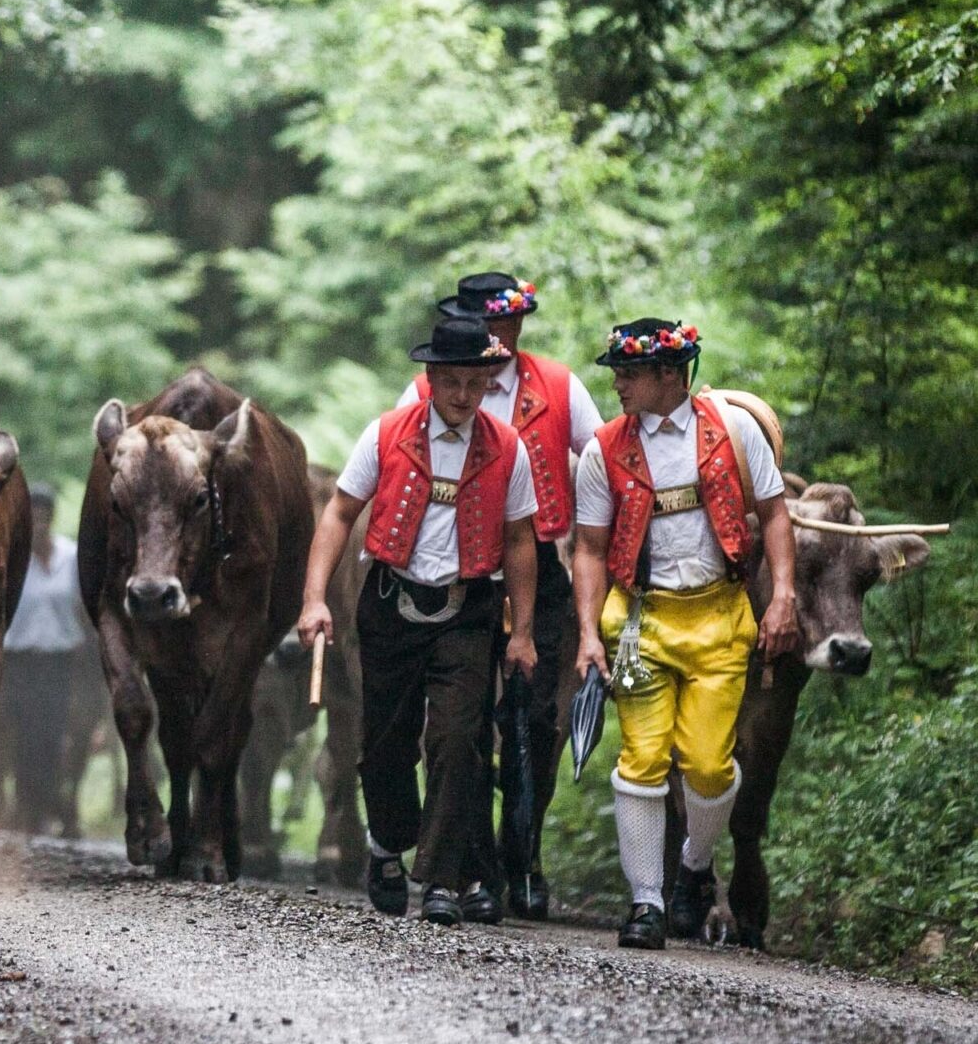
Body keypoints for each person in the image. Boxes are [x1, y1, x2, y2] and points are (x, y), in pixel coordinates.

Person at [298, 315, 540, 928]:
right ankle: (387, 845)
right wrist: (315, 598)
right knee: (385, 742)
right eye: (451, 381)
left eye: (475, 383)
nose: (462, 395)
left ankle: (439, 878)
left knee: (460, 740)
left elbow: (518, 541)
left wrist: (523, 631)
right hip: (389, 604)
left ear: (488, 381)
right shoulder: (385, 434)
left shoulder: (507, 447)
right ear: (430, 377)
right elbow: (339, 513)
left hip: (467, 609)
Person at [572, 318, 797, 950]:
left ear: (670, 375)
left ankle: (695, 867)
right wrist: (589, 632)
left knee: (706, 764)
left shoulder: (736, 431)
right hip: (640, 620)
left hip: (721, 618)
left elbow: (775, 516)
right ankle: (646, 901)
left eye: (628, 372)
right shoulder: (602, 449)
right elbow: (588, 549)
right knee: (642, 759)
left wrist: (782, 594)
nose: (616, 382)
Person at [397, 272, 603, 919]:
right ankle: (476, 872)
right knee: (461, 724)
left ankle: (526, 855)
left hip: (535, 566)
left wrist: (602, 544)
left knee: (535, 719)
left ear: (520, 325)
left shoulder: (562, 387)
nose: (498, 336)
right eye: (487, 324)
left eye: (508, 323)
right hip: (456, 567)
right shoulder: (430, 387)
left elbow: (603, 457)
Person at [0, 483, 93, 834]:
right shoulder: (11, 559)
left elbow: (84, 610)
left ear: (52, 518)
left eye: (43, 515)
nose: (38, 522)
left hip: (60, 660)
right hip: (18, 660)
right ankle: (24, 807)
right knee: (20, 733)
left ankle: (44, 804)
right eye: (32, 516)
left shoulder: (71, 557)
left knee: (51, 734)